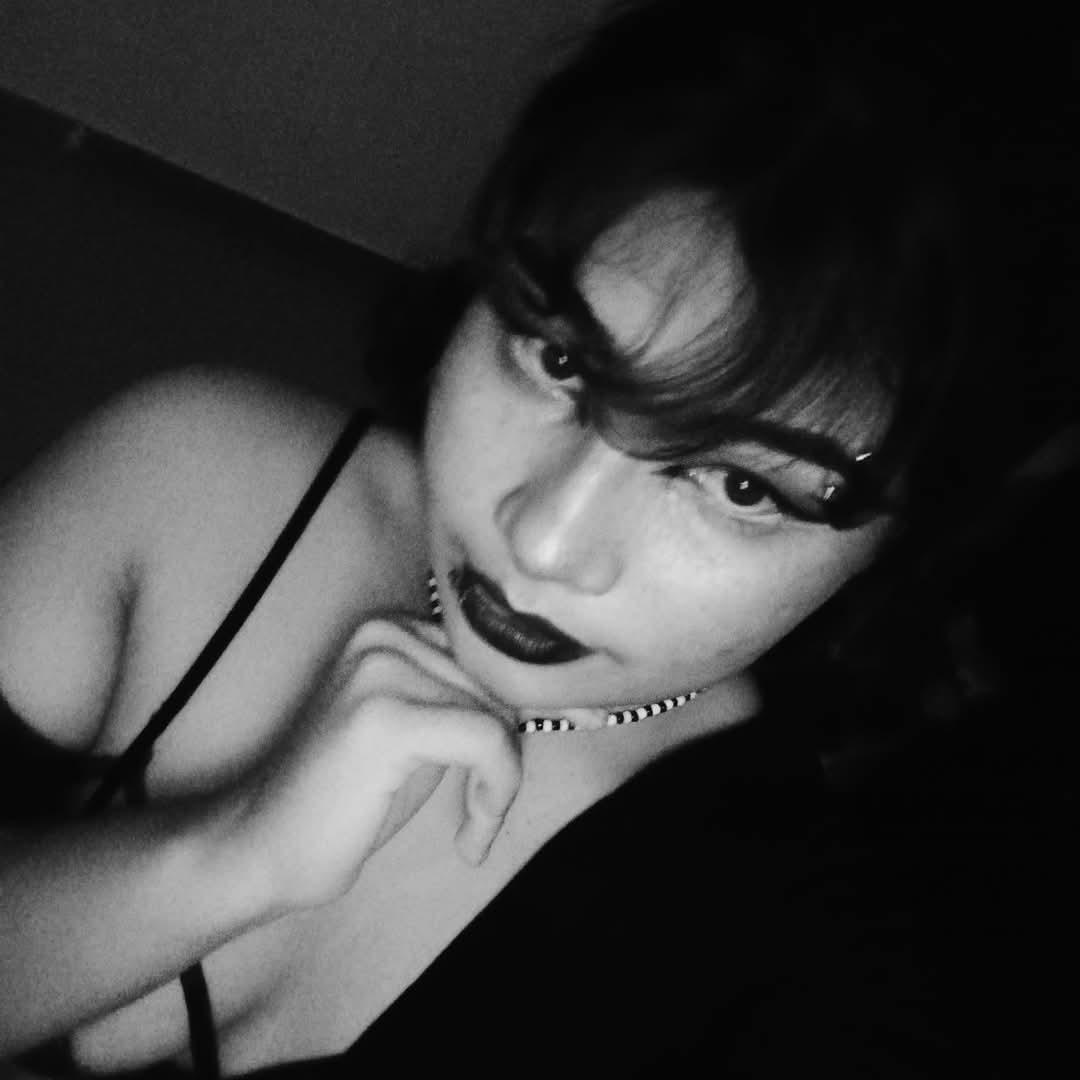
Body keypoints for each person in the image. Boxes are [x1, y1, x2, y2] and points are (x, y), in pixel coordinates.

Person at [1, 1, 1075, 1075]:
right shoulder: (190, 475)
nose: (545, 541)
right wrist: (232, 854)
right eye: (559, 358)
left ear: (905, 541)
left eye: (743, 485)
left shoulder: (790, 947)